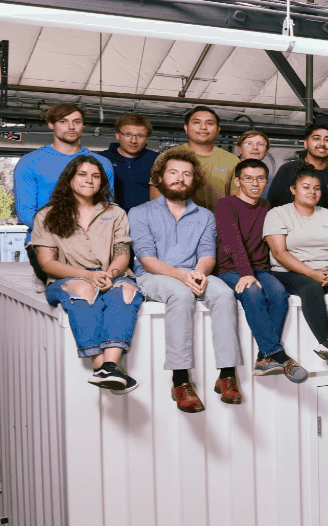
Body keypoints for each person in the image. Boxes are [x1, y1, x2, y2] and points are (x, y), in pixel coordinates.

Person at [135, 149, 242, 412]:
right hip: (155, 275)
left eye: (187, 174)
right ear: (159, 178)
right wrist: (183, 276)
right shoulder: (139, 212)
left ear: (194, 181)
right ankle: (180, 380)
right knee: (181, 295)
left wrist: (199, 272)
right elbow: (147, 259)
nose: (180, 179)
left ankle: (227, 374)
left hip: (193, 272)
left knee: (224, 294)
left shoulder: (205, 215)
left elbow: (207, 253)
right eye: (173, 173)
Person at [30, 156, 142, 392]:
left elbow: (122, 253)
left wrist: (110, 273)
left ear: (102, 181)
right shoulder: (47, 215)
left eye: (95, 175)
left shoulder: (116, 213)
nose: (89, 180)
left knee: (127, 290)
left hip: (110, 273)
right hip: (67, 279)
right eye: (82, 174)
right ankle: (100, 365)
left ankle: (109, 366)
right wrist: (89, 276)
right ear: (69, 179)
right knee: (83, 289)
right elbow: (47, 263)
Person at [214, 158, 307, 382]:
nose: (255, 183)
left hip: (259, 268)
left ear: (267, 181)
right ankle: (279, 355)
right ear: (238, 181)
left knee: (279, 293)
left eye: (260, 178)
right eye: (248, 178)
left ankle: (263, 359)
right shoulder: (225, 204)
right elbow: (233, 241)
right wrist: (246, 273)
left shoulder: (266, 207)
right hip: (230, 269)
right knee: (253, 293)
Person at [266, 168, 328, 370]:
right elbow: (279, 253)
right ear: (293, 189)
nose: (312, 192)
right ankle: (326, 345)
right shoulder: (277, 214)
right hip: (289, 272)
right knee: (311, 288)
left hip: (326, 268)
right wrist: (312, 273)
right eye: (305, 187)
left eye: (317, 188)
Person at [14, 104, 114, 228]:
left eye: (77, 122)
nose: (71, 127)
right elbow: (26, 213)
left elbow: (106, 208)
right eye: (63, 121)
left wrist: (85, 236)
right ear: (51, 124)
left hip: (90, 240)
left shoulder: (102, 163)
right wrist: (60, 235)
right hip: (45, 238)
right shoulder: (30, 161)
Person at [265, 124, 328, 213]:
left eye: (327, 140)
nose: (322, 143)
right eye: (316, 138)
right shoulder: (287, 170)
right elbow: (275, 206)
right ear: (305, 143)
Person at [161, 107, 240, 208]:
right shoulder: (167, 156)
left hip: (218, 222)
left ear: (218, 130)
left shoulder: (232, 161)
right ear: (186, 128)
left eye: (210, 123)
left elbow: (235, 200)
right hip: (178, 222)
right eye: (197, 122)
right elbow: (157, 195)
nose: (203, 127)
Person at [99, 113, 158, 208]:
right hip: (110, 219)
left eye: (140, 136)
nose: (133, 141)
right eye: (128, 134)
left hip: (145, 220)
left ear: (147, 138)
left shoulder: (157, 160)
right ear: (117, 135)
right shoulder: (101, 159)